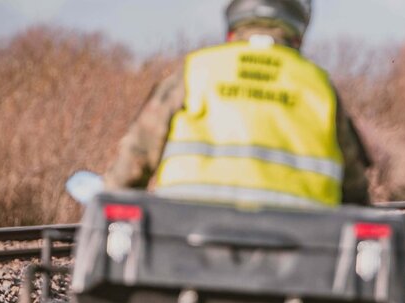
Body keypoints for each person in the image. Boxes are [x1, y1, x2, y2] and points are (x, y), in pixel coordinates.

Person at [105, 0, 371, 208]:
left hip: (186, 238)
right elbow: (354, 186)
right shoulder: (320, 88)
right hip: (299, 251)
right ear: (298, 28)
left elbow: (136, 156)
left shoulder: (196, 72)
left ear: (232, 23)